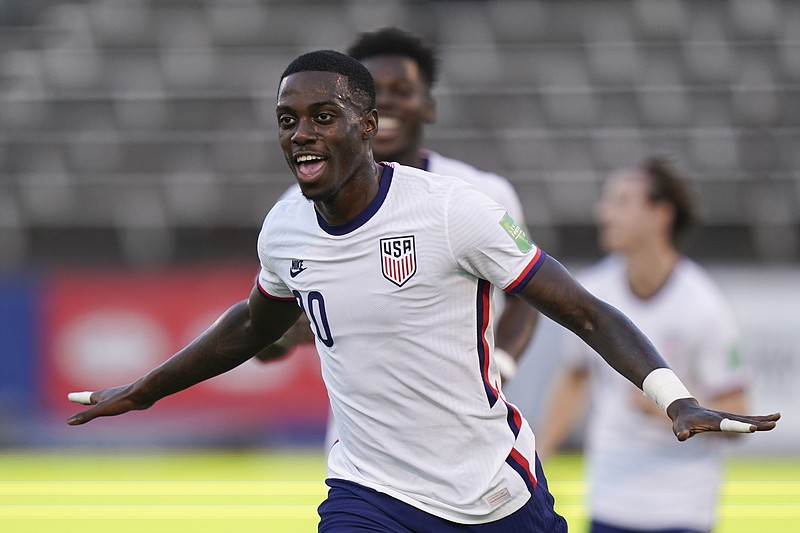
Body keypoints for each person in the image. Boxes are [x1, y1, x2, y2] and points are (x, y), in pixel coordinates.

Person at [67, 50, 779, 533]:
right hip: (369, 493)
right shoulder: (283, 229)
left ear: (369, 127)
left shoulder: (450, 211)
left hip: (491, 490)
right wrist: (145, 389)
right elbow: (250, 326)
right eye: (288, 120)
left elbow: (583, 310)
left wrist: (672, 395)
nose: (302, 134)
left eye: (324, 116)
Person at [259, 27, 536, 383]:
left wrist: (502, 364)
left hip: (464, 422)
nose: (385, 100)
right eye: (373, 89)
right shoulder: (298, 207)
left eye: (401, 91)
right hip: (356, 432)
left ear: (429, 106)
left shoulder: (480, 192)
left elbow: (528, 293)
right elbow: (260, 333)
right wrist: (283, 333)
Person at [536, 158, 753, 533]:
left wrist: (668, 406)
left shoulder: (704, 305)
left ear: (660, 214)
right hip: (609, 501)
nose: (603, 213)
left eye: (621, 201)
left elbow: (737, 410)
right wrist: (537, 462)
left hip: (681, 509)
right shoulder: (592, 292)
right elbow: (573, 380)